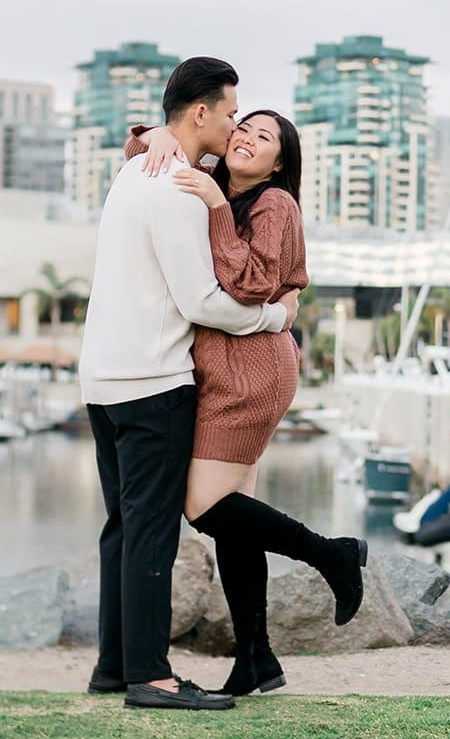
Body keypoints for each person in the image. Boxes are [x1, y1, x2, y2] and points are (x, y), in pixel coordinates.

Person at [79, 56, 299, 712]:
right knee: (150, 530)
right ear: (200, 113)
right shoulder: (175, 184)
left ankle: (113, 665)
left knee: (123, 526)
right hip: (152, 380)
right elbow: (202, 299)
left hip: (104, 378)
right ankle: (151, 676)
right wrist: (273, 316)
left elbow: (149, 139)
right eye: (231, 111)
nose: (235, 123)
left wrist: (152, 134)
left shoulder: (135, 170)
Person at [127, 111, 367, 698]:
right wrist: (154, 135)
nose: (246, 138)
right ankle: (257, 660)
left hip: (251, 369)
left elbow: (253, 285)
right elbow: (138, 155)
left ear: (279, 162)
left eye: (265, 138)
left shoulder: (272, 204)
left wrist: (212, 203)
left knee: (204, 506)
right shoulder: (209, 176)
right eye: (244, 127)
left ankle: (332, 555)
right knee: (237, 521)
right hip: (223, 364)